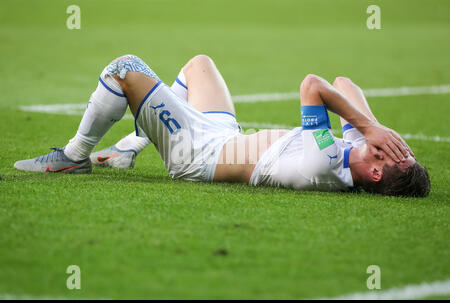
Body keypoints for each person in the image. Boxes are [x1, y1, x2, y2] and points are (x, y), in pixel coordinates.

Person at [14, 54, 430, 197]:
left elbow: (314, 87)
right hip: (225, 137)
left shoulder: (325, 163)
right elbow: (345, 84)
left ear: (376, 172)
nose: (391, 145)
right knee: (199, 65)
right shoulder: (361, 151)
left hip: (195, 155)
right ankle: (128, 149)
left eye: (395, 155)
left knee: (124, 69)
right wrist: (371, 128)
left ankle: (73, 157)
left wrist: (367, 127)